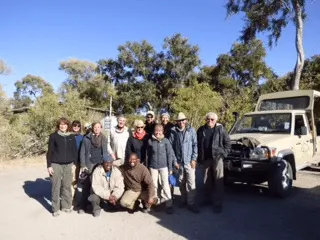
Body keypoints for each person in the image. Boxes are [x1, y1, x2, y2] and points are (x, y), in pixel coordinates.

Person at [197, 112, 231, 214]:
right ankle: (207, 199)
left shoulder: (220, 129)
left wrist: (223, 154)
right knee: (206, 180)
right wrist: (199, 158)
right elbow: (198, 144)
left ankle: (218, 203)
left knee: (218, 181)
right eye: (208, 119)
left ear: (215, 120)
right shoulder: (201, 130)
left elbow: (228, 143)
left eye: (212, 119)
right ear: (205, 119)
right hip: (205, 159)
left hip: (217, 158)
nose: (210, 121)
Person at [46, 117, 78, 217]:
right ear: (58, 125)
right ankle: (55, 208)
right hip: (56, 164)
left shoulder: (71, 137)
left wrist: (75, 165)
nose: (62, 126)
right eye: (61, 124)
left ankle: (66, 206)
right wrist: (49, 165)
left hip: (68, 164)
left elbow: (74, 151)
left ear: (68, 126)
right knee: (56, 186)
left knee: (67, 186)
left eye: (64, 124)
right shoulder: (53, 136)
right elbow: (49, 151)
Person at [169, 112, 199, 213]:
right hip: (179, 162)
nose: (181, 122)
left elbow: (195, 145)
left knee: (191, 183)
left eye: (182, 120)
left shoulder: (191, 130)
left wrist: (194, 159)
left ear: (185, 121)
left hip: (189, 161)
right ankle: (183, 200)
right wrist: (175, 161)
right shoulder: (173, 132)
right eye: (179, 121)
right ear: (177, 122)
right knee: (181, 182)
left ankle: (191, 203)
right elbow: (171, 147)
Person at [78, 122, 111, 214]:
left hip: (100, 164)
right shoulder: (87, 138)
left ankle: (98, 203)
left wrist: (106, 164)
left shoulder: (103, 138)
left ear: (101, 128)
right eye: (95, 127)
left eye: (98, 127)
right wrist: (83, 165)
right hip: (90, 164)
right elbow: (82, 152)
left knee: (100, 184)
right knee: (87, 185)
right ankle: (83, 205)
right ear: (92, 128)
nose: (97, 129)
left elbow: (104, 153)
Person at [147, 124, 175, 214]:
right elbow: (148, 155)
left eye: (160, 131)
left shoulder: (166, 141)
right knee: (154, 185)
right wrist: (148, 167)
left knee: (165, 185)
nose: (158, 132)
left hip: (164, 166)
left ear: (162, 132)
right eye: (156, 130)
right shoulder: (150, 141)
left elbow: (169, 155)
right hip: (153, 166)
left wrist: (170, 168)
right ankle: (156, 202)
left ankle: (169, 204)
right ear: (154, 131)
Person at [71, 120, 84, 208]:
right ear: (72, 127)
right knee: (71, 180)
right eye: (74, 126)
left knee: (78, 180)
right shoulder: (69, 136)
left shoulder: (82, 137)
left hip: (79, 162)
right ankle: (71, 199)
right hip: (71, 162)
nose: (76, 127)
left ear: (80, 127)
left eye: (78, 126)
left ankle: (77, 199)